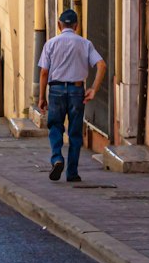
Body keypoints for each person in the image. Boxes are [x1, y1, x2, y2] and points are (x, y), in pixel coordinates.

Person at [38, 9, 105, 182]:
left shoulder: (51, 44)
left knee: (55, 127)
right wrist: (93, 89)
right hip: (77, 91)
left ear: (59, 25)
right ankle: (72, 173)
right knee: (75, 133)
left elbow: (44, 72)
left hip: (56, 90)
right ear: (76, 25)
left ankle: (57, 158)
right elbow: (101, 65)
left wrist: (41, 97)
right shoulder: (85, 43)